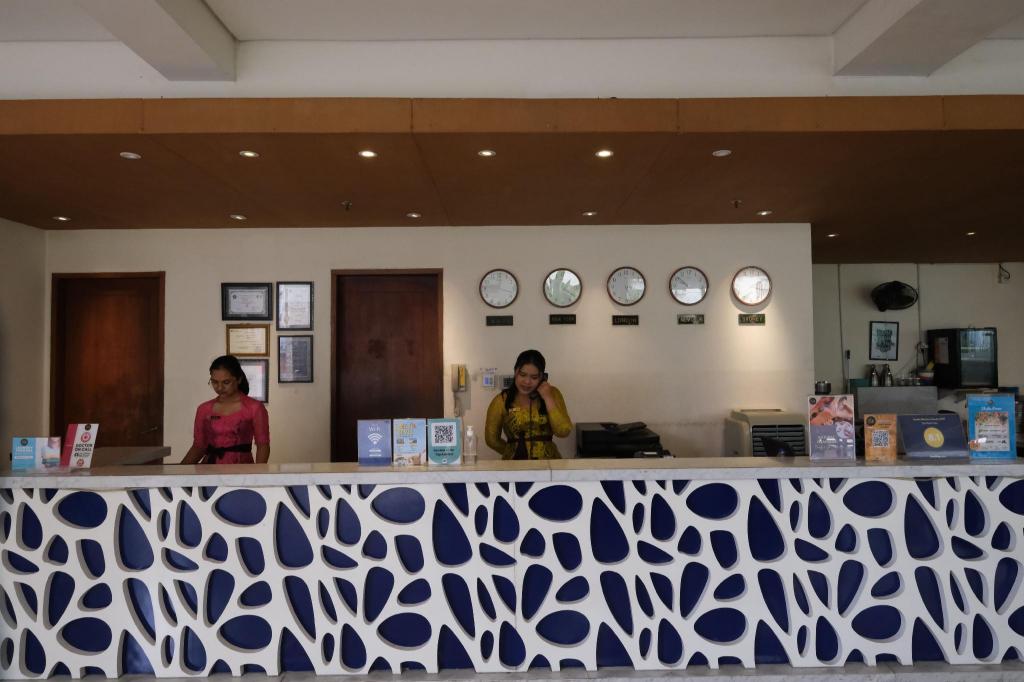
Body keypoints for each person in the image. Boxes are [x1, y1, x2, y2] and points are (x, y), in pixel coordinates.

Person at [180, 355, 270, 464]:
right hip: (209, 468)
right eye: (214, 382)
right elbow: (199, 446)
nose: (220, 387)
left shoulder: (254, 407)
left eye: (226, 382)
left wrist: (259, 472)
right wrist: (180, 470)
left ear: (239, 379)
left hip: (242, 468)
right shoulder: (204, 409)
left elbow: (263, 445)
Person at [485, 349, 572, 459]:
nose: (527, 382)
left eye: (534, 377)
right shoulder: (501, 401)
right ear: (515, 372)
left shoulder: (552, 393)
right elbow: (491, 439)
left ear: (542, 377)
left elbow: (563, 431)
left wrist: (548, 398)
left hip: (548, 464)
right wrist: (511, 451)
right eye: (523, 375)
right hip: (515, 465)